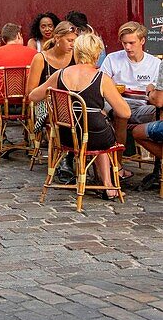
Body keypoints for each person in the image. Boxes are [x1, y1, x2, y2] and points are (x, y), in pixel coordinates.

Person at [28, 32, 130, 200]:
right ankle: (109, 185)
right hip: (96, 136)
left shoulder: (59, 75)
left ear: (76, 52)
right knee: (99, 127)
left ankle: (104, 182)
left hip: (66, 136)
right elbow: (125, 112)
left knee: (89, 126)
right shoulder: (101, 78)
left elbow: (33, 96)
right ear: (96, 54)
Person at [101, 21, 162, 190]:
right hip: (117, 104)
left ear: (142, 41)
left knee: (158, 113)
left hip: (143, 106)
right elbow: (101, 85)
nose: (127, 47)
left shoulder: (154, 64)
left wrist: (149, 93)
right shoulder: (113, 59)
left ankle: (158, 166)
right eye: (124, 43)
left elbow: (157, 97)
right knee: (122, 114)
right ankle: (117, 166)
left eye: (131, 43)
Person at [0, 24, 38, 113]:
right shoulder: (34, 53)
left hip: (1, 106)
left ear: (3, 39)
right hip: (28, 105)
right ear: (19, 35)